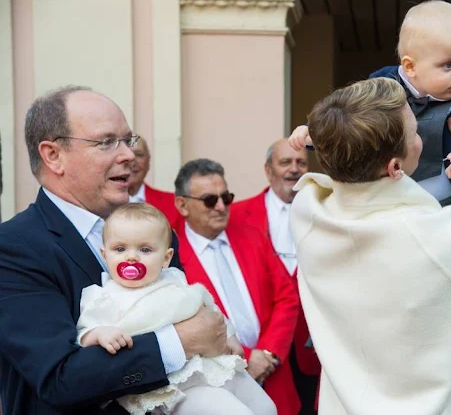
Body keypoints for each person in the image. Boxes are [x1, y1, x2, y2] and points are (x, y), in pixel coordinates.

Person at [288, 77, 451, 414]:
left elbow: (328, 182)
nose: (422, 138)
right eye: (415, 132)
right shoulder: (442, 237)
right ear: (394, 167)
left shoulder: (308, 212)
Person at [0, 86, 228, 415]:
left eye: (128, 140)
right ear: (53, 156)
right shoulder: (14, 248)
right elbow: (59, 379)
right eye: (106, 142)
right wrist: (177, 341)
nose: (129, 156)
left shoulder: (155, 235)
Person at [291, 0, 451, 208]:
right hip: (389, 195)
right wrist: (314, 133)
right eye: (448, 65)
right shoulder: (383, 87)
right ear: (410, 66)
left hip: (448, 197)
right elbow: (348, 117)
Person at [77, 203, 276, 415]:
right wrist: (99, 333)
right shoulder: (103, 296)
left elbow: (205, 303)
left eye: (145, 250)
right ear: (105, 254)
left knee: (266, 408)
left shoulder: (173, 279)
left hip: (211, 366)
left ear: (166, 257)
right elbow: (84, 332)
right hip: (172, 387)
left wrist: (230, 335)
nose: (131, 257)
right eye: (120, 249)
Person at [174, 159, 301, 415]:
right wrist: (245, 358)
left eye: (226, 197)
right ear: (182, 204)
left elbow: (287, 297)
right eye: (210, 200)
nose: (221, 207)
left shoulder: (251, 235)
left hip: (274, 379)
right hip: (219, 391)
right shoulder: (171, 258)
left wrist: (267, 353)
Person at [230, 139, 321, 414]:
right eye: (285, 163)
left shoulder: (326, 214)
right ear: (269, 170)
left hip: (313, 341)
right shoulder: (236, 215)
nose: (293, 170)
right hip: (265, 341)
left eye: (300, 163)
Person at [127, 136, 181, 229]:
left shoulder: (173, 203)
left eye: (139, 155)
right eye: (126, 155)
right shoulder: (101, 204)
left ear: (148, 161)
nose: (132, 162)